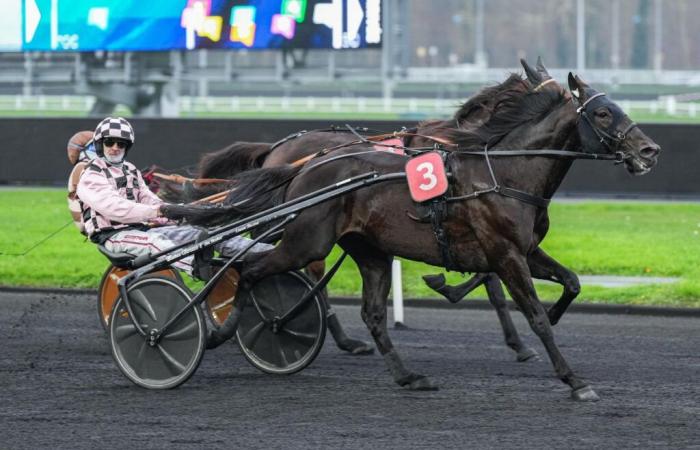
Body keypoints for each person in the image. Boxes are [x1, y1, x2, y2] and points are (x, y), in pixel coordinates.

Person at [75, 116, 271, 276]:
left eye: (121, 143)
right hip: (114, 236)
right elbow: (115, 207)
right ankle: (200, 268)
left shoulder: (130, 170)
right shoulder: (91, 175)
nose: (115, 147)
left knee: (206, 231)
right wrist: (160, 210)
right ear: (100, 144)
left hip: (142, 230)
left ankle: (264, 252)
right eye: (110, 142)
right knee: (157, 244)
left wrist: (181, 211)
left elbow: (148, 199)